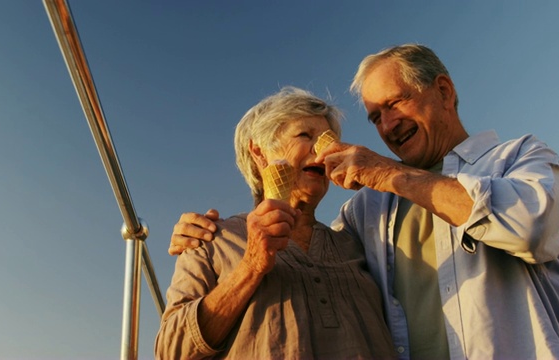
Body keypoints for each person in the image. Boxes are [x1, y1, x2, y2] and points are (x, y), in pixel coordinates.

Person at [168, 44, 559, 359]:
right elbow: (173, 347)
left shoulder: (519, 158)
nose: (388, 125)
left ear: (443, 91)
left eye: (395, 104)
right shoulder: (364, 214)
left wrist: (386, 172)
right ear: (259, 153)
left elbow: (531, 227)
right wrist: (211, 240)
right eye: (376, 117)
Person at [155, 86, 396, 359]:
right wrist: (251, 266)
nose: (323, 151)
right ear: (259, 152)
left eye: (328, 141)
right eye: (305, 135)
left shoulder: (354, 242)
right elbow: (170, 351)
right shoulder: (211, 239)